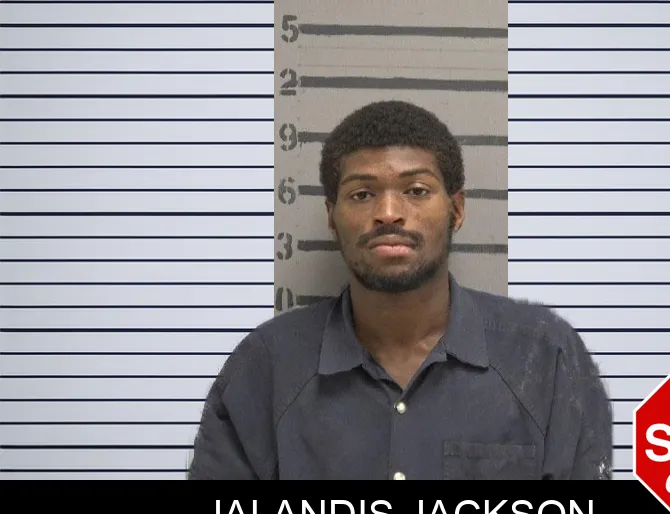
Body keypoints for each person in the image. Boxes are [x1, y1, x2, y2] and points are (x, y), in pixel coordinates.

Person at [188, 100, 613, 480]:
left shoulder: (546, 357)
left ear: (457, 209)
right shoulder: (265, 369)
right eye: (362, 194)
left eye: (416, 191)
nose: (388, 213)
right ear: (332, 216)